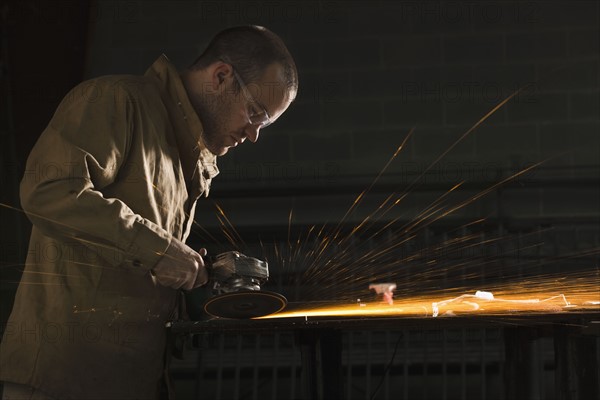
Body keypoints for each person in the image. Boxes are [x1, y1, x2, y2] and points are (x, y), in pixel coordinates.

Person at [0, 25, 298, 400]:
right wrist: (163, 251)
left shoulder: (188, 151)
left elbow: (136, 262)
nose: (253, 134)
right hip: (61, 378)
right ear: (221, 76)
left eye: (265, 125)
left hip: (130, 379)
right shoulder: (114, 101)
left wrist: (197, 284)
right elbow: (49, 190)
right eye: (255, 113)